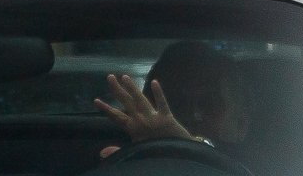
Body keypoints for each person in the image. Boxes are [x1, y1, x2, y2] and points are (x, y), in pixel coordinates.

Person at [94, 41, 252, 154]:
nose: (191, 115)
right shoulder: (114, 169)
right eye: (173, 104)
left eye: (208, 104)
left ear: (241, 125)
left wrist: (189, 147)